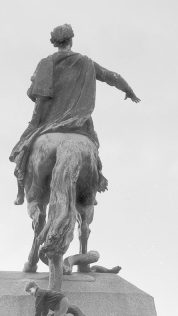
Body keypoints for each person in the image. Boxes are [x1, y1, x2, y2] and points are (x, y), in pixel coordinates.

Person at [10, 23, 140, 205]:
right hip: (79, 123)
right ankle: (96, 180)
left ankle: (21, 192)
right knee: (92, 146)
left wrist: (35, 119)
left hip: (47, 122)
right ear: (71, 40)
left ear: (55, 43)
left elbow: (34, 93)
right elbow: (112, 77)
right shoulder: (86, 62)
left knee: (22, 149)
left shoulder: (46, 63)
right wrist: (128, 90)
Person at [25, 280, 90, 316]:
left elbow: (38, 307)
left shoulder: (39, 293)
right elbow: (45, 306)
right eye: (28, 292)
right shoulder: (41, 293)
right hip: (60, 301)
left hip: (60, 301)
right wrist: (44, 315)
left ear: (35, 287)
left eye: (29, 290)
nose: (29, 293)